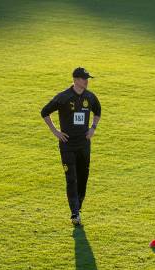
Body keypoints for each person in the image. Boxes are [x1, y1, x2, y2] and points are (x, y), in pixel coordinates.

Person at [40, 67, 101, 225]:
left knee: (83, 177)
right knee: (71, 179)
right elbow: (45, 112)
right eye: (83, 78)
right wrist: (56, 131)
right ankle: (74, 213)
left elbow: (98, 111)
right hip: (67, 145)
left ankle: (78, 207)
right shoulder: (63, 97)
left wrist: (93, 128)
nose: (86, 81)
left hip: (84, 145)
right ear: (75, 80)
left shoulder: (90, 97)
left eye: (87, 78)